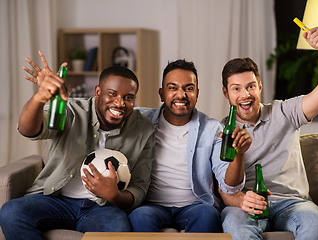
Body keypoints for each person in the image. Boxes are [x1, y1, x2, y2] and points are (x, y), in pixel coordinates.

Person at [0, 51, 155, 240]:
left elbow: (139, 187)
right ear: (98, 92)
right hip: (54, 199)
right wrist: (40, 97)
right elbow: (29, 130)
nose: (120, 103)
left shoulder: (143, 129)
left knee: (119, 228)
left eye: (129, 98)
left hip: (102, 208)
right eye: (112, 94)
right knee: (11, 212)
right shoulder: (70, 110)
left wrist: (114, 195)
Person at [219, 27, 318, 240]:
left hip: (293, 203)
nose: (245, 95)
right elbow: (223, 186)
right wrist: (240, 200)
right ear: (226, 93)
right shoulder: (220, 131)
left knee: (316, 220)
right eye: (236, 89)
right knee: (233, 223)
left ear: (260, 86)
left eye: (250, 86)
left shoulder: (284, 112)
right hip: (249, 205)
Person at [128, 59, 252, 232]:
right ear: (161, 93)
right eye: (173, 88)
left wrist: (238, 155)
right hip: (151, 205)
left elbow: (229, 186)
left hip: (195, 206)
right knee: (139, 216)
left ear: (197, 93)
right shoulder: (140, 121)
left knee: (208, 214)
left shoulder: (212, 128)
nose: (181, 95)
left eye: (189, 88)